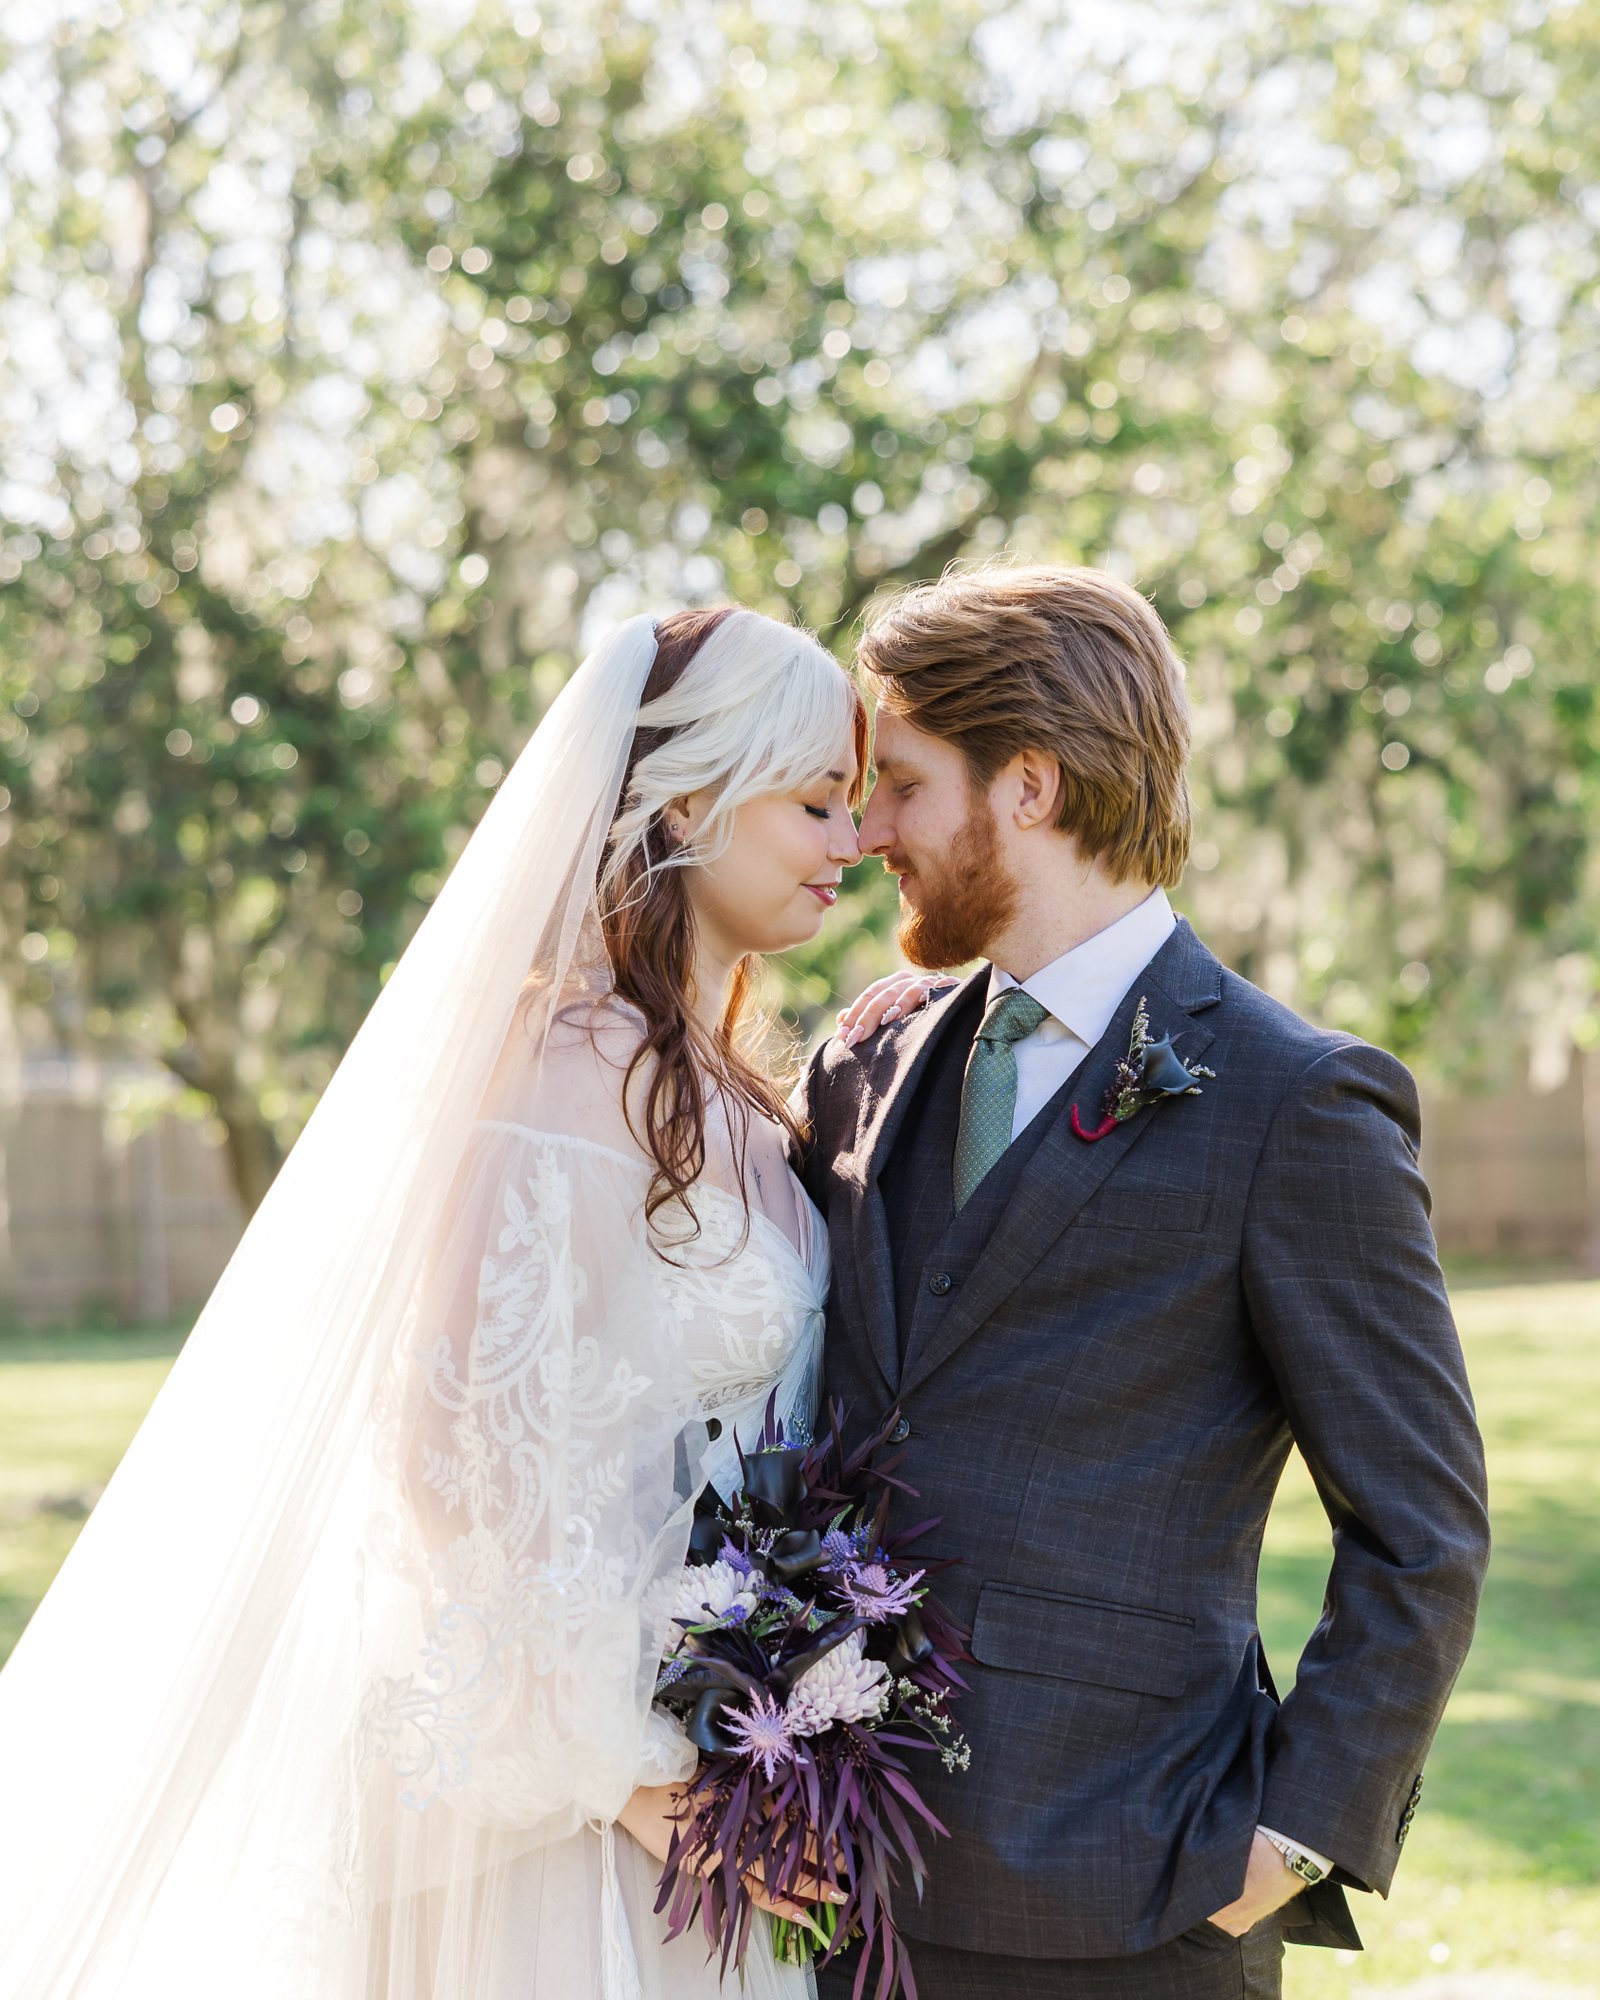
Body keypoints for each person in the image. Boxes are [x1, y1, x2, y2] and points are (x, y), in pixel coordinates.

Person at [0, 605, 866, 2000]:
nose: (854, 843)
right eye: (818, 802)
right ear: (692, 796)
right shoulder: (559, 1085)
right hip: (569, 1822)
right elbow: (446, 1445)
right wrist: (634, 1773)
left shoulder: (743, 1094)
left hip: (713, 1763)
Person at [802, 562, 1491, 2000]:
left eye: (905, 785)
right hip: (833, 1882)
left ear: (1031, 788)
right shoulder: (863, 1061)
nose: (868, 832)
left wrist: (1294, 1840)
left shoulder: (1294, 1106)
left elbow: (1421, 1531)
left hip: (1134, 1905)